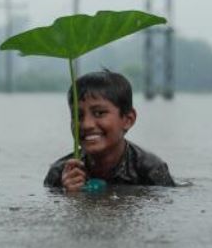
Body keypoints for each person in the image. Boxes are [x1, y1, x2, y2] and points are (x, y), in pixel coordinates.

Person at [44, 70, 176, 191]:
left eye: (99, 113)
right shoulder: (60, 173)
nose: (86, 125)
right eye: (78, 116)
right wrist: (71, 197)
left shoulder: (151, 170)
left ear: (128, 119)